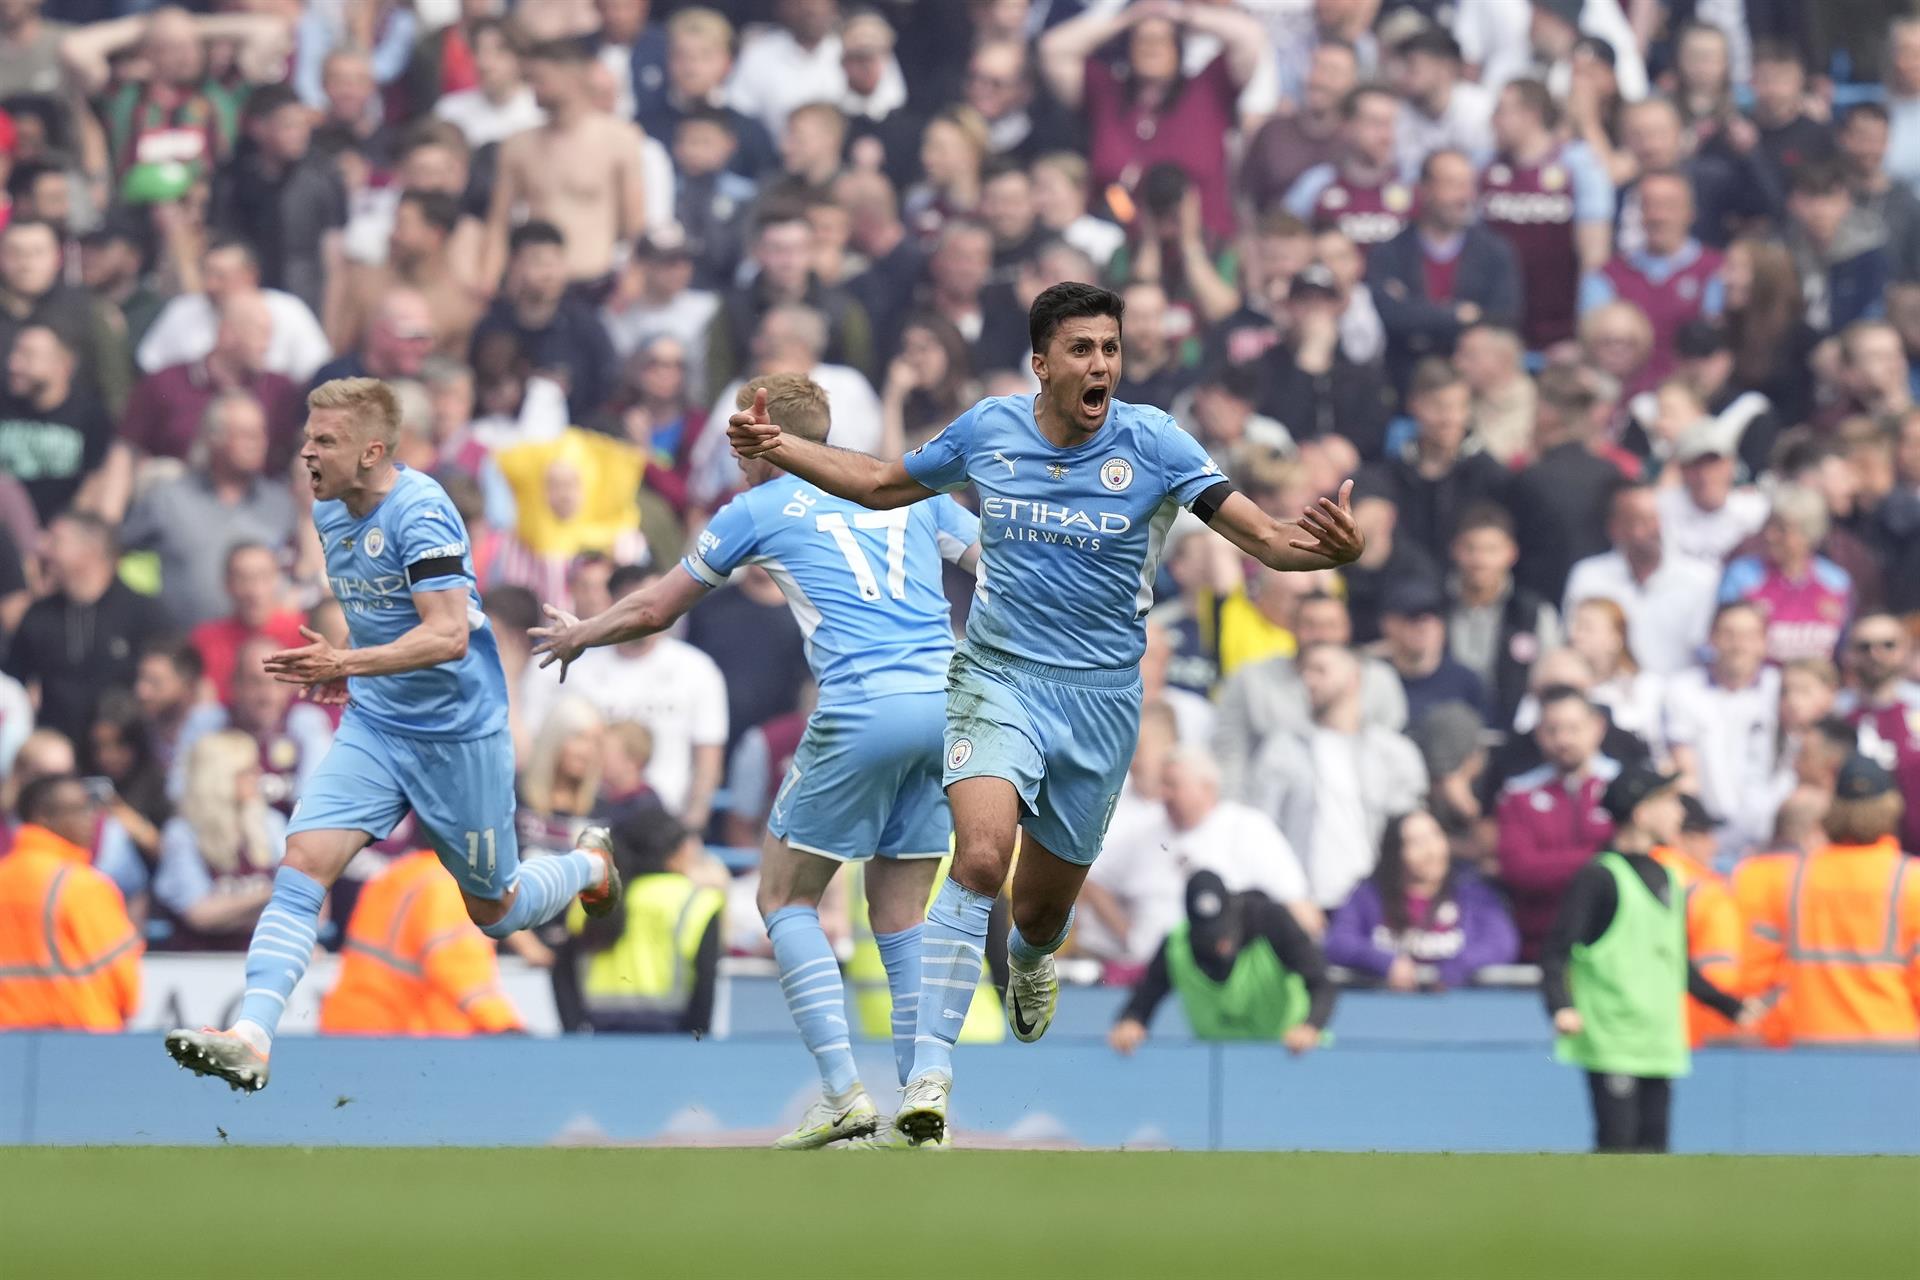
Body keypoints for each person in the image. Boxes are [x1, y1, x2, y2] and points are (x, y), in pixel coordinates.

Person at [724, 281, 1364, 1146]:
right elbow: (879, 484)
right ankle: (929, 1076)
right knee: (980, 858)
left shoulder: (1158, 444)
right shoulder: (990, 429)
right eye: (1082, 349)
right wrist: (784, 449)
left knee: (1036, 910)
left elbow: (1270, 539)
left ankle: (1031, 959)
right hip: (997, 676)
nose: (1101, 364)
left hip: (1099, 702)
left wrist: (1330, 551)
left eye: (1111, 348)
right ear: (1042, 365)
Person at [535, 372, 979, 1149]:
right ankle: (924, 1096)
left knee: (784, 895)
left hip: (863, 707)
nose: (731, 445)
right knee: (901, 912)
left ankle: (843, 1092)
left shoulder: (760, 509)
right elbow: (991, 564)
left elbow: (654, 607)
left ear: (767, 432)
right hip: (947, 704)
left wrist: (580, 633)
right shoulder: (904, 488)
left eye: (740, 429)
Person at [163, 377, 619, 1094]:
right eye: (308, 436)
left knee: (495, 910)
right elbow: (383, 620)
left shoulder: (424, 513)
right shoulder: (330, 512)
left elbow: (443, 636)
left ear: (373, 450)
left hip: (457, 734)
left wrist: (345, 661)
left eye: (325, 440)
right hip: (378, 720)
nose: (307, 451)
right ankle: (252, 1035)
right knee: (304, 859)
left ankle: (589, 866)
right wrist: (353, 669)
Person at [1542, 762, 1754, 1154]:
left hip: (1659, 1039)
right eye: (1670, 801)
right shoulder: (1599, 877)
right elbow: (1557, 950)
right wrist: (1561, 1006)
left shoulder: (1668, 877)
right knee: (1618, 1146)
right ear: (1640, 814)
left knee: (1655, 1150)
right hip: (1613, 1038)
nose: (1680, 812)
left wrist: (1728, 1006)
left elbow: (1675, 962)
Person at [1740, 755, 1920, 1045]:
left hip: (1808, 1045)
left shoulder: (1793, 878)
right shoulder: (1911, 882)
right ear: (1891, 807)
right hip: (1892, 1048)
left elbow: (1756, 977)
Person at [1087, 745, 1313, 971]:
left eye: (1173, 785)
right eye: (1162, 784)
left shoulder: (1248, 829)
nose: (1164, 794)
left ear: (1207, 788)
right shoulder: (1143, 829)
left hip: (1225, 978)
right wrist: (1128, 933)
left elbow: (1297, 906)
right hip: (1149, 973)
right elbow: (1094, 878)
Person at [1247, 642, 1429, 910]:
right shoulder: (1281, 748)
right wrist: (1289, 895)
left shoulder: (1394, 752)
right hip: (1305, 903)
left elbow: (1412, 832)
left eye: (1320, 671)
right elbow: (1262, 830)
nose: (1309, 680)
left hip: (1378, 905)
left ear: (1354, 679)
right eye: (1306, 672)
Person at [118, 390, 297, 629]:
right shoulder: (167, 499)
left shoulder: (282, 503)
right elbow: (116, 552)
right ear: (214, 438)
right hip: (184, 653)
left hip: (261, 655)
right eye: (245, 434)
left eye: (261, 433)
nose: (258, 442)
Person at [1108, 871, 1335, 1055]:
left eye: (1223, 933)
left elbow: (1321, 984)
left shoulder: (1271, 922)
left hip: (1286, 1057)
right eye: (1209, 937)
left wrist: (1310, 1027)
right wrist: (1130, 1023)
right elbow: (1145, 998)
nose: (1220, 946)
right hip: (1219, 1065)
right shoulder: (1176, 945)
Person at [485, 37, 647, 291]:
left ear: (573, 77)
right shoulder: (517, 146)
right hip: (533, 283)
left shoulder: (620, 140)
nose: (533, 88)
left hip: (594, 280)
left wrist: (634, 277)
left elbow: (635, 225)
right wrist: (489, 281)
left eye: (541, 79)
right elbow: (498, 225)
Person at [319, 847, 525, 1037]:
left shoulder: (406, 871)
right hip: (391, 1036)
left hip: (352, 1025)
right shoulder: (448, 886)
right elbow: (462, 970)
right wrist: (504, 1025)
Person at [3, 512, 164, 748]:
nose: (42, 549)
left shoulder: (144, 613)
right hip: (57, 754)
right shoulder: (38, 616)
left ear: (91, 550)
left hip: (127, 754)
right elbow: (11, 685)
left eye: (56, 541)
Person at [557, 810, 723, 1038]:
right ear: (673, 854)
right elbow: (704, 988)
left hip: (598, 1037)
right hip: (671, 1036)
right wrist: (696, 1039)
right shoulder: (698, 902)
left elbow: (561, 972)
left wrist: (573, 1030)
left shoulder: (592, 899)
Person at [1367, 149, 1522, 390]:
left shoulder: (1495, 251)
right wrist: (1457, 315)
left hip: (1474, 384)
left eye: (1469, 184)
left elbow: (1503, 317)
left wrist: (1420, 313)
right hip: (1404, 380)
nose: (1465, 196)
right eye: (1452, 184)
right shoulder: (1389, 252)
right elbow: (1392, 315)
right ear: (1424, 190)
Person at [0, 774, 142, 1031]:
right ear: (43, 817)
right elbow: (124, 982)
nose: (91, 818)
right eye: (79, 809)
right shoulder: (82, 886)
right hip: (78, 1041)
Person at [1480, 77, 1614, 349]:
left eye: (1502, 111)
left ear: (1531, 115)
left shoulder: (1579, 164)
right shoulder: (1482, 166)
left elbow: (1595, 256)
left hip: (1561, 328)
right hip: (1499, 328)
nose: (1493, 121)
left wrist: (1586, 331)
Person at [1326, 807, 1520, 990]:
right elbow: (1338, 942)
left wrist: (1456, 967)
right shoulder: (1367, 896)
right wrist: (1385, 962)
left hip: (1458, 1008)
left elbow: (1502, 944)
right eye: (1417, 842)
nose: (1431, 851)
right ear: (1395, 852)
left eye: (1435, 837)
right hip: (1386, 1007)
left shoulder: (1474, 895)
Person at [1495, 686, 1619, 959]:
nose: (1563, 740)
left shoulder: (1624, 789)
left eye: (1573, 728)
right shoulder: (1518, 795)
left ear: (1597, 727)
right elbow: (1520, 869)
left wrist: (1554, 863)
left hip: (1614, 948)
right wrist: (1598, 858)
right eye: (1552, 730)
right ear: (1538, 733)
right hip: (1540, 946)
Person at [1563, 482, 1721, 677]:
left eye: (1654, 518)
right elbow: (1573, 643)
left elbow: (1707, 652)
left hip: (1678, 698)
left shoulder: (1701, 579)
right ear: (1615, 528)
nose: (1650, 528)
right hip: (1609, 694)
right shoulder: (1588, 577)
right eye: (1636, 520)